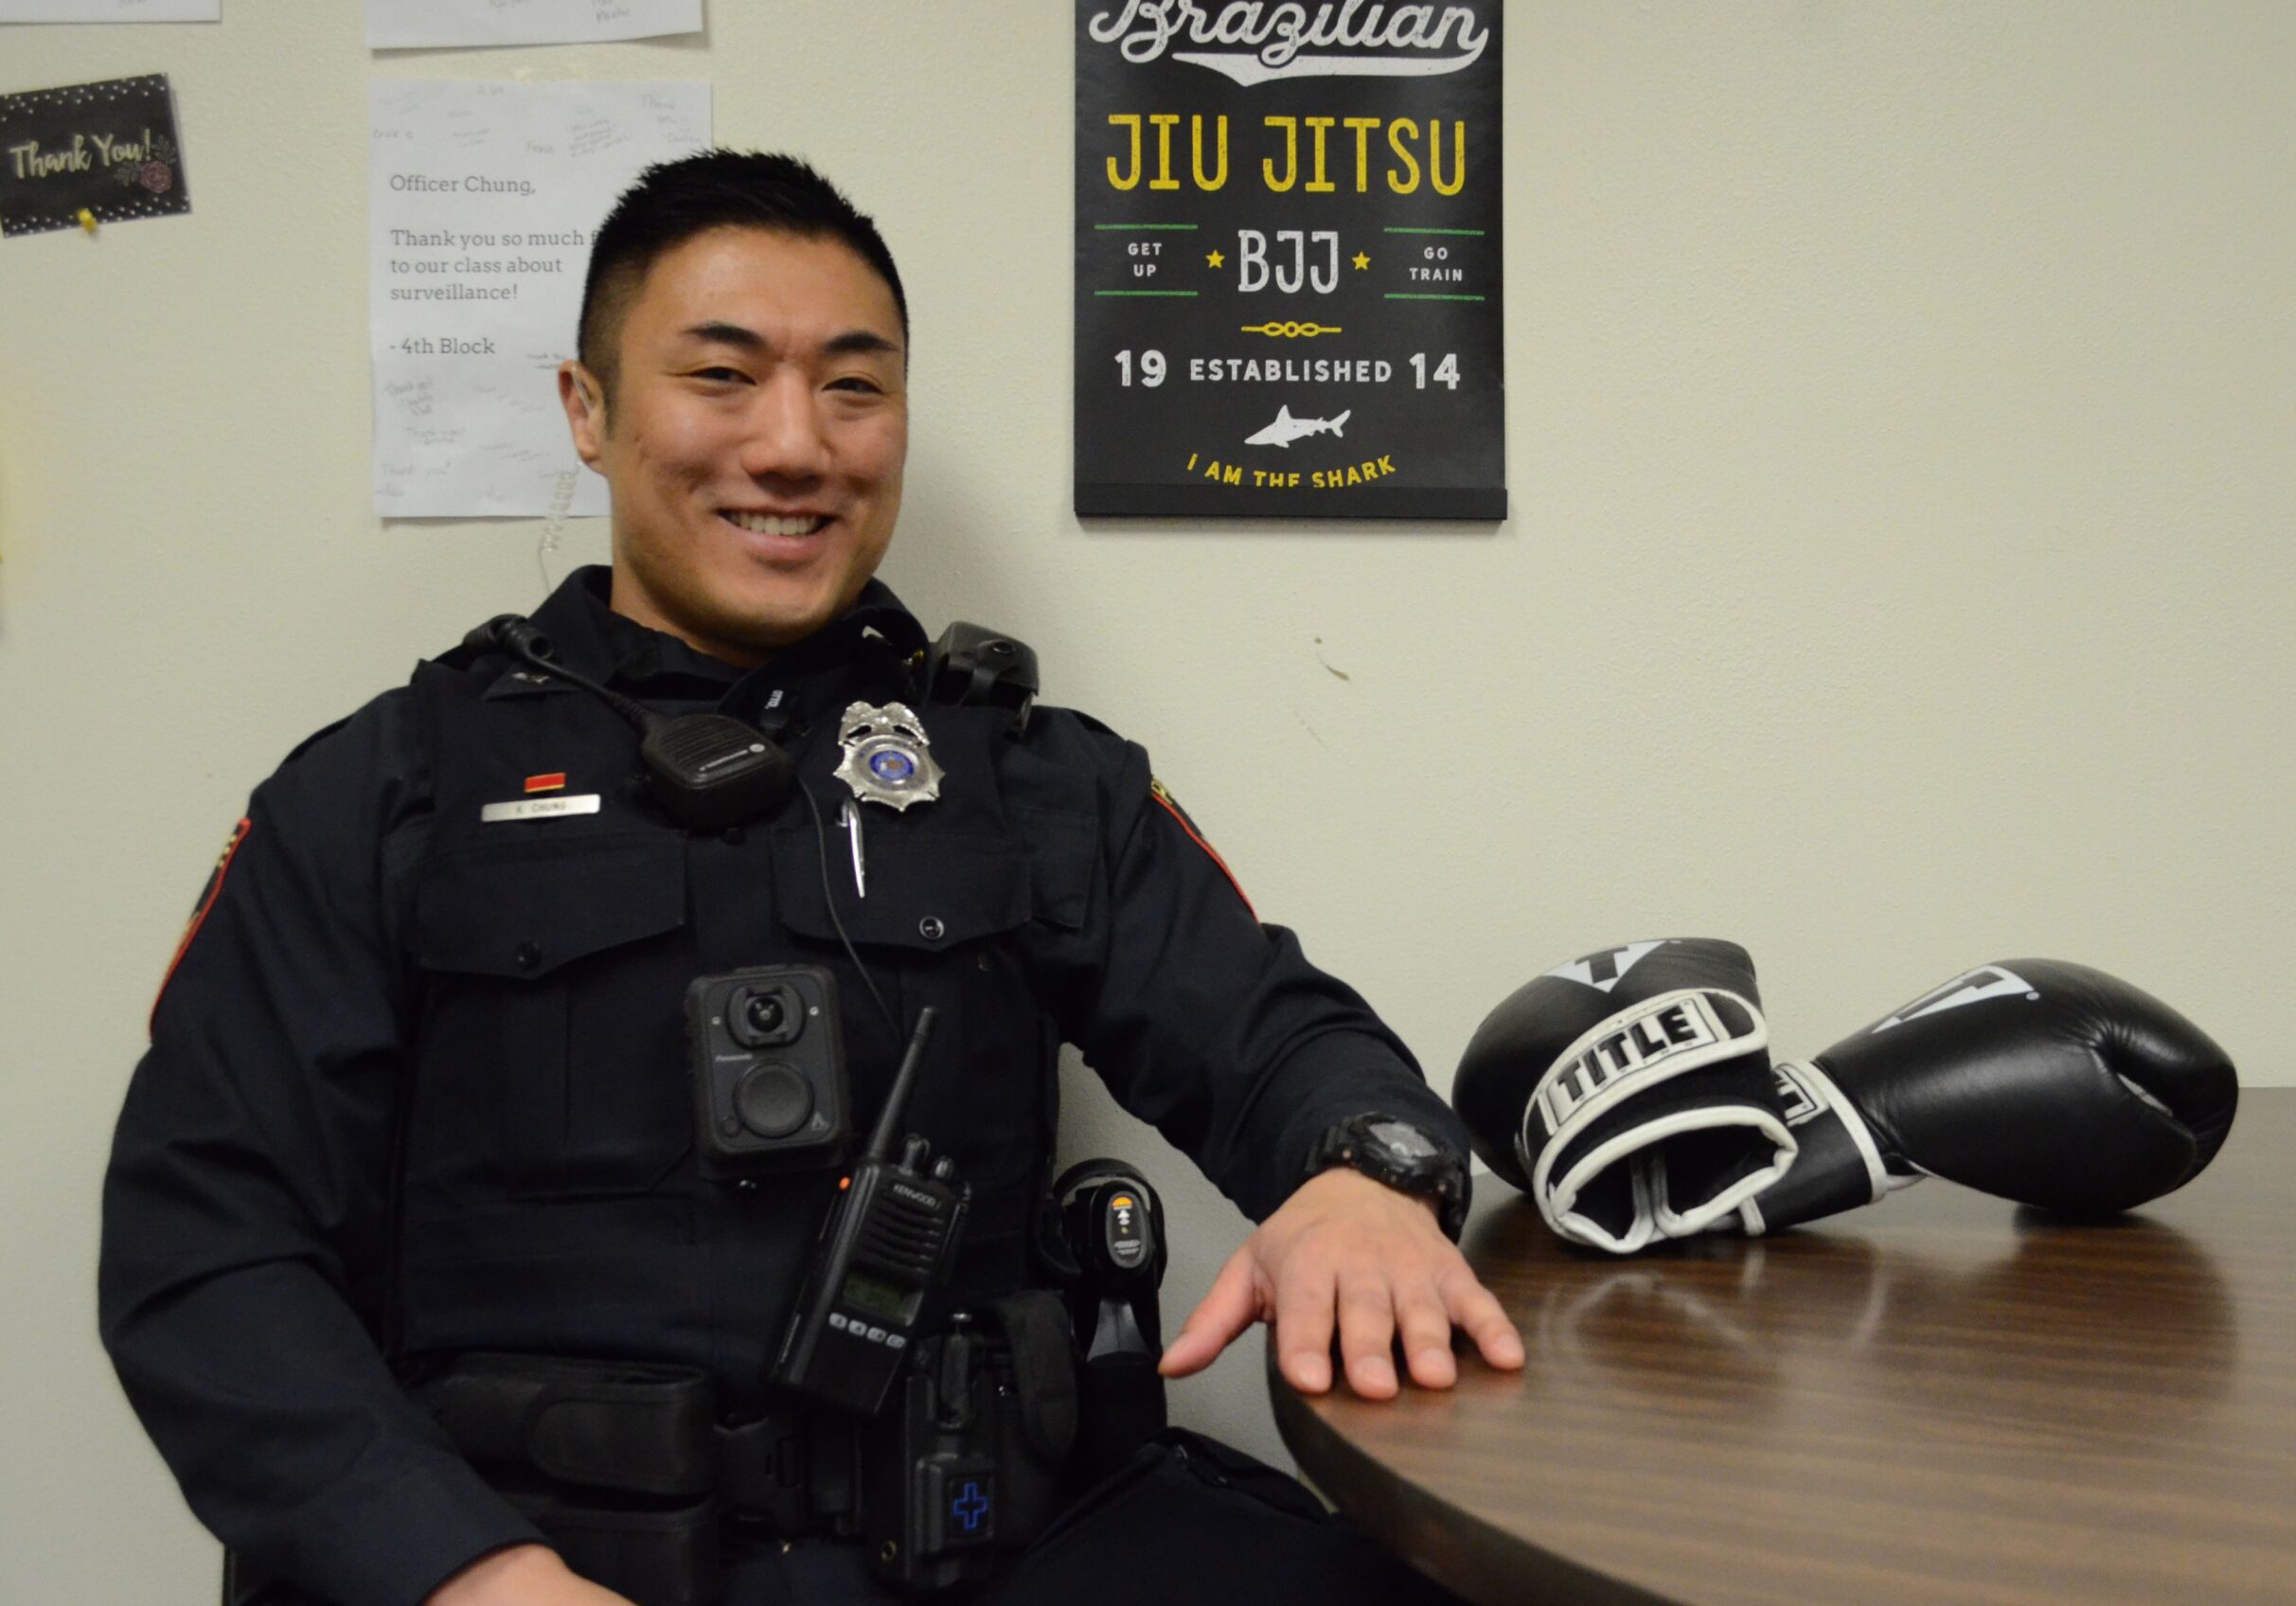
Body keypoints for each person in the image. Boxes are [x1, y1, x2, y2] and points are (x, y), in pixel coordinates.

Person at [99, 151, 1523, 1606]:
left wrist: (1364, 1179)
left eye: (853, 386)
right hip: (534, 1566)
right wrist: (460, 1571)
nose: (794, 447)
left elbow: (1287, 1040)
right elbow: (204, 1244)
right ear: (586, 411)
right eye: (722, 377)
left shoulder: (1025, 774)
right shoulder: (387, 790)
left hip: (984, 1550)